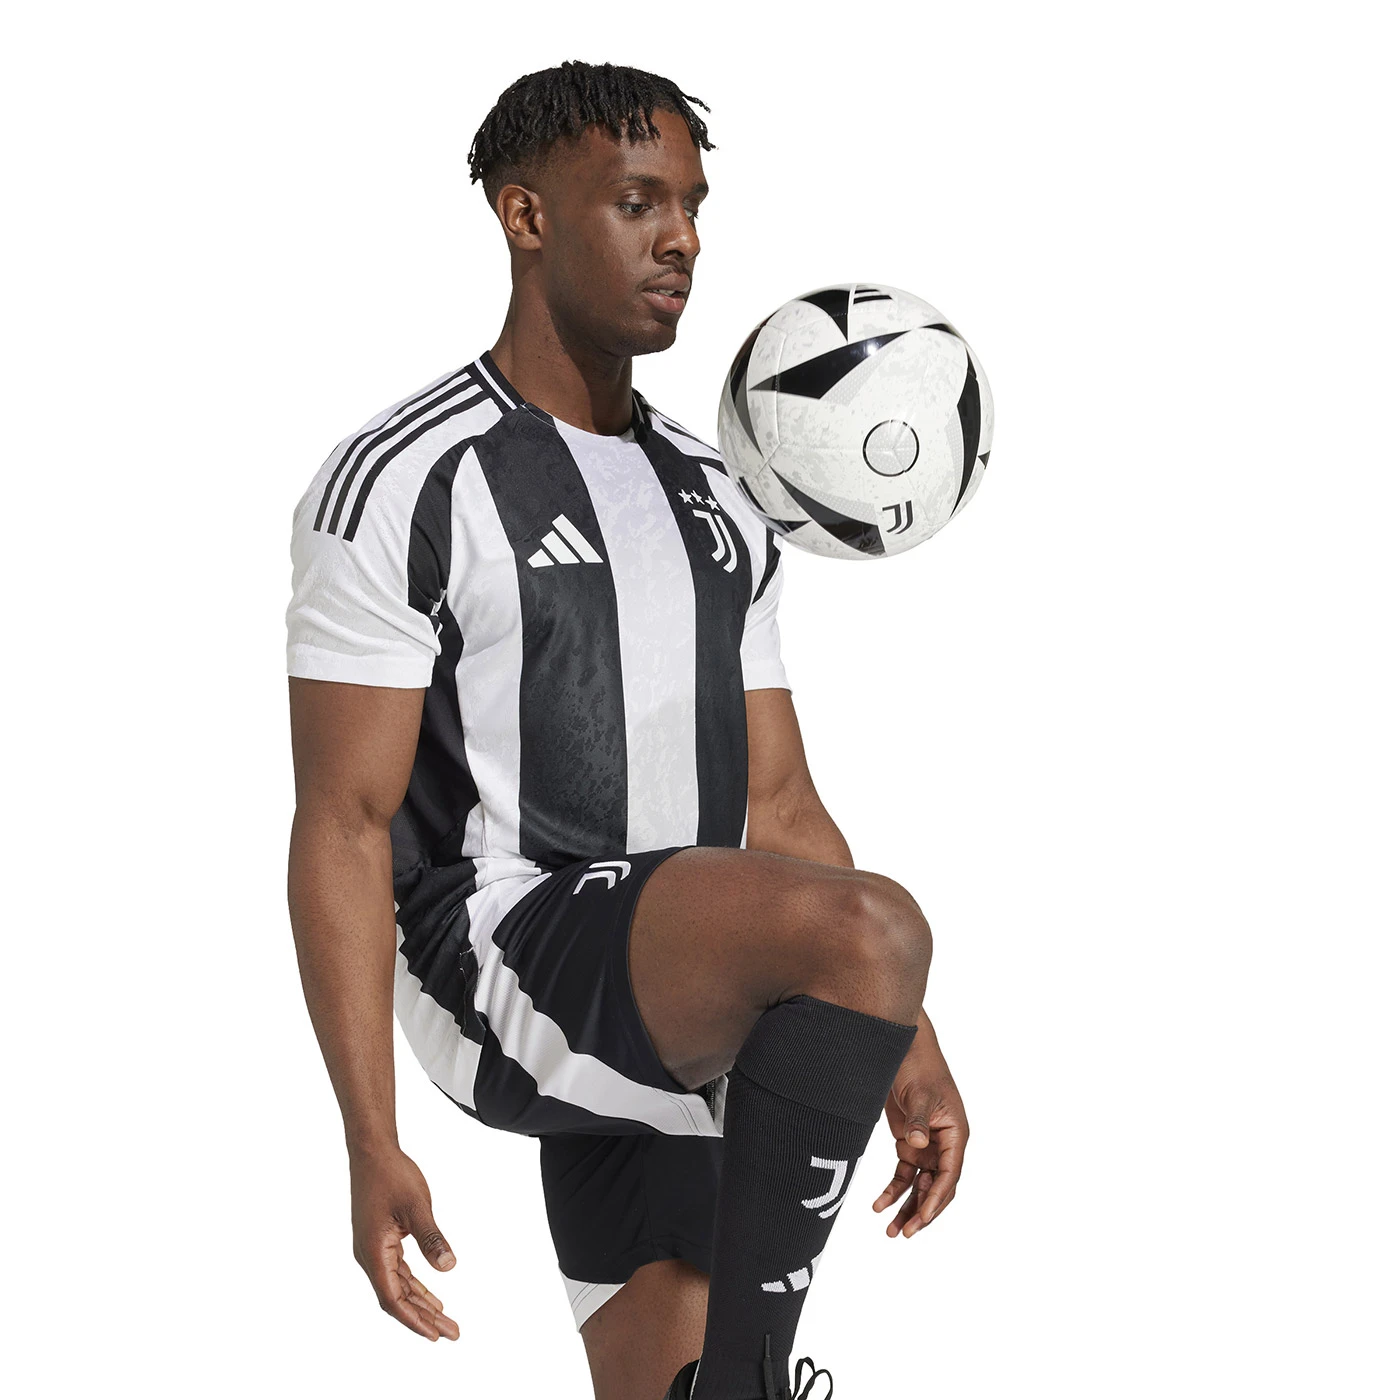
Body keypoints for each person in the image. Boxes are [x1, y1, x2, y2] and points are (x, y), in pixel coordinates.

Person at [285, 60, 968, 1400]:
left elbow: (780, 807)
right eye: (639, 202)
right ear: (526, 215)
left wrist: (904, 1027)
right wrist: (369, 1134)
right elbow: (342, 822)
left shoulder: (720, 493)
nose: (683, 241)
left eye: (694, 207)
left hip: (682, 969)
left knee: (662, 1384)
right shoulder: (408, 477)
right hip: (498, 958)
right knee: (870, 926)